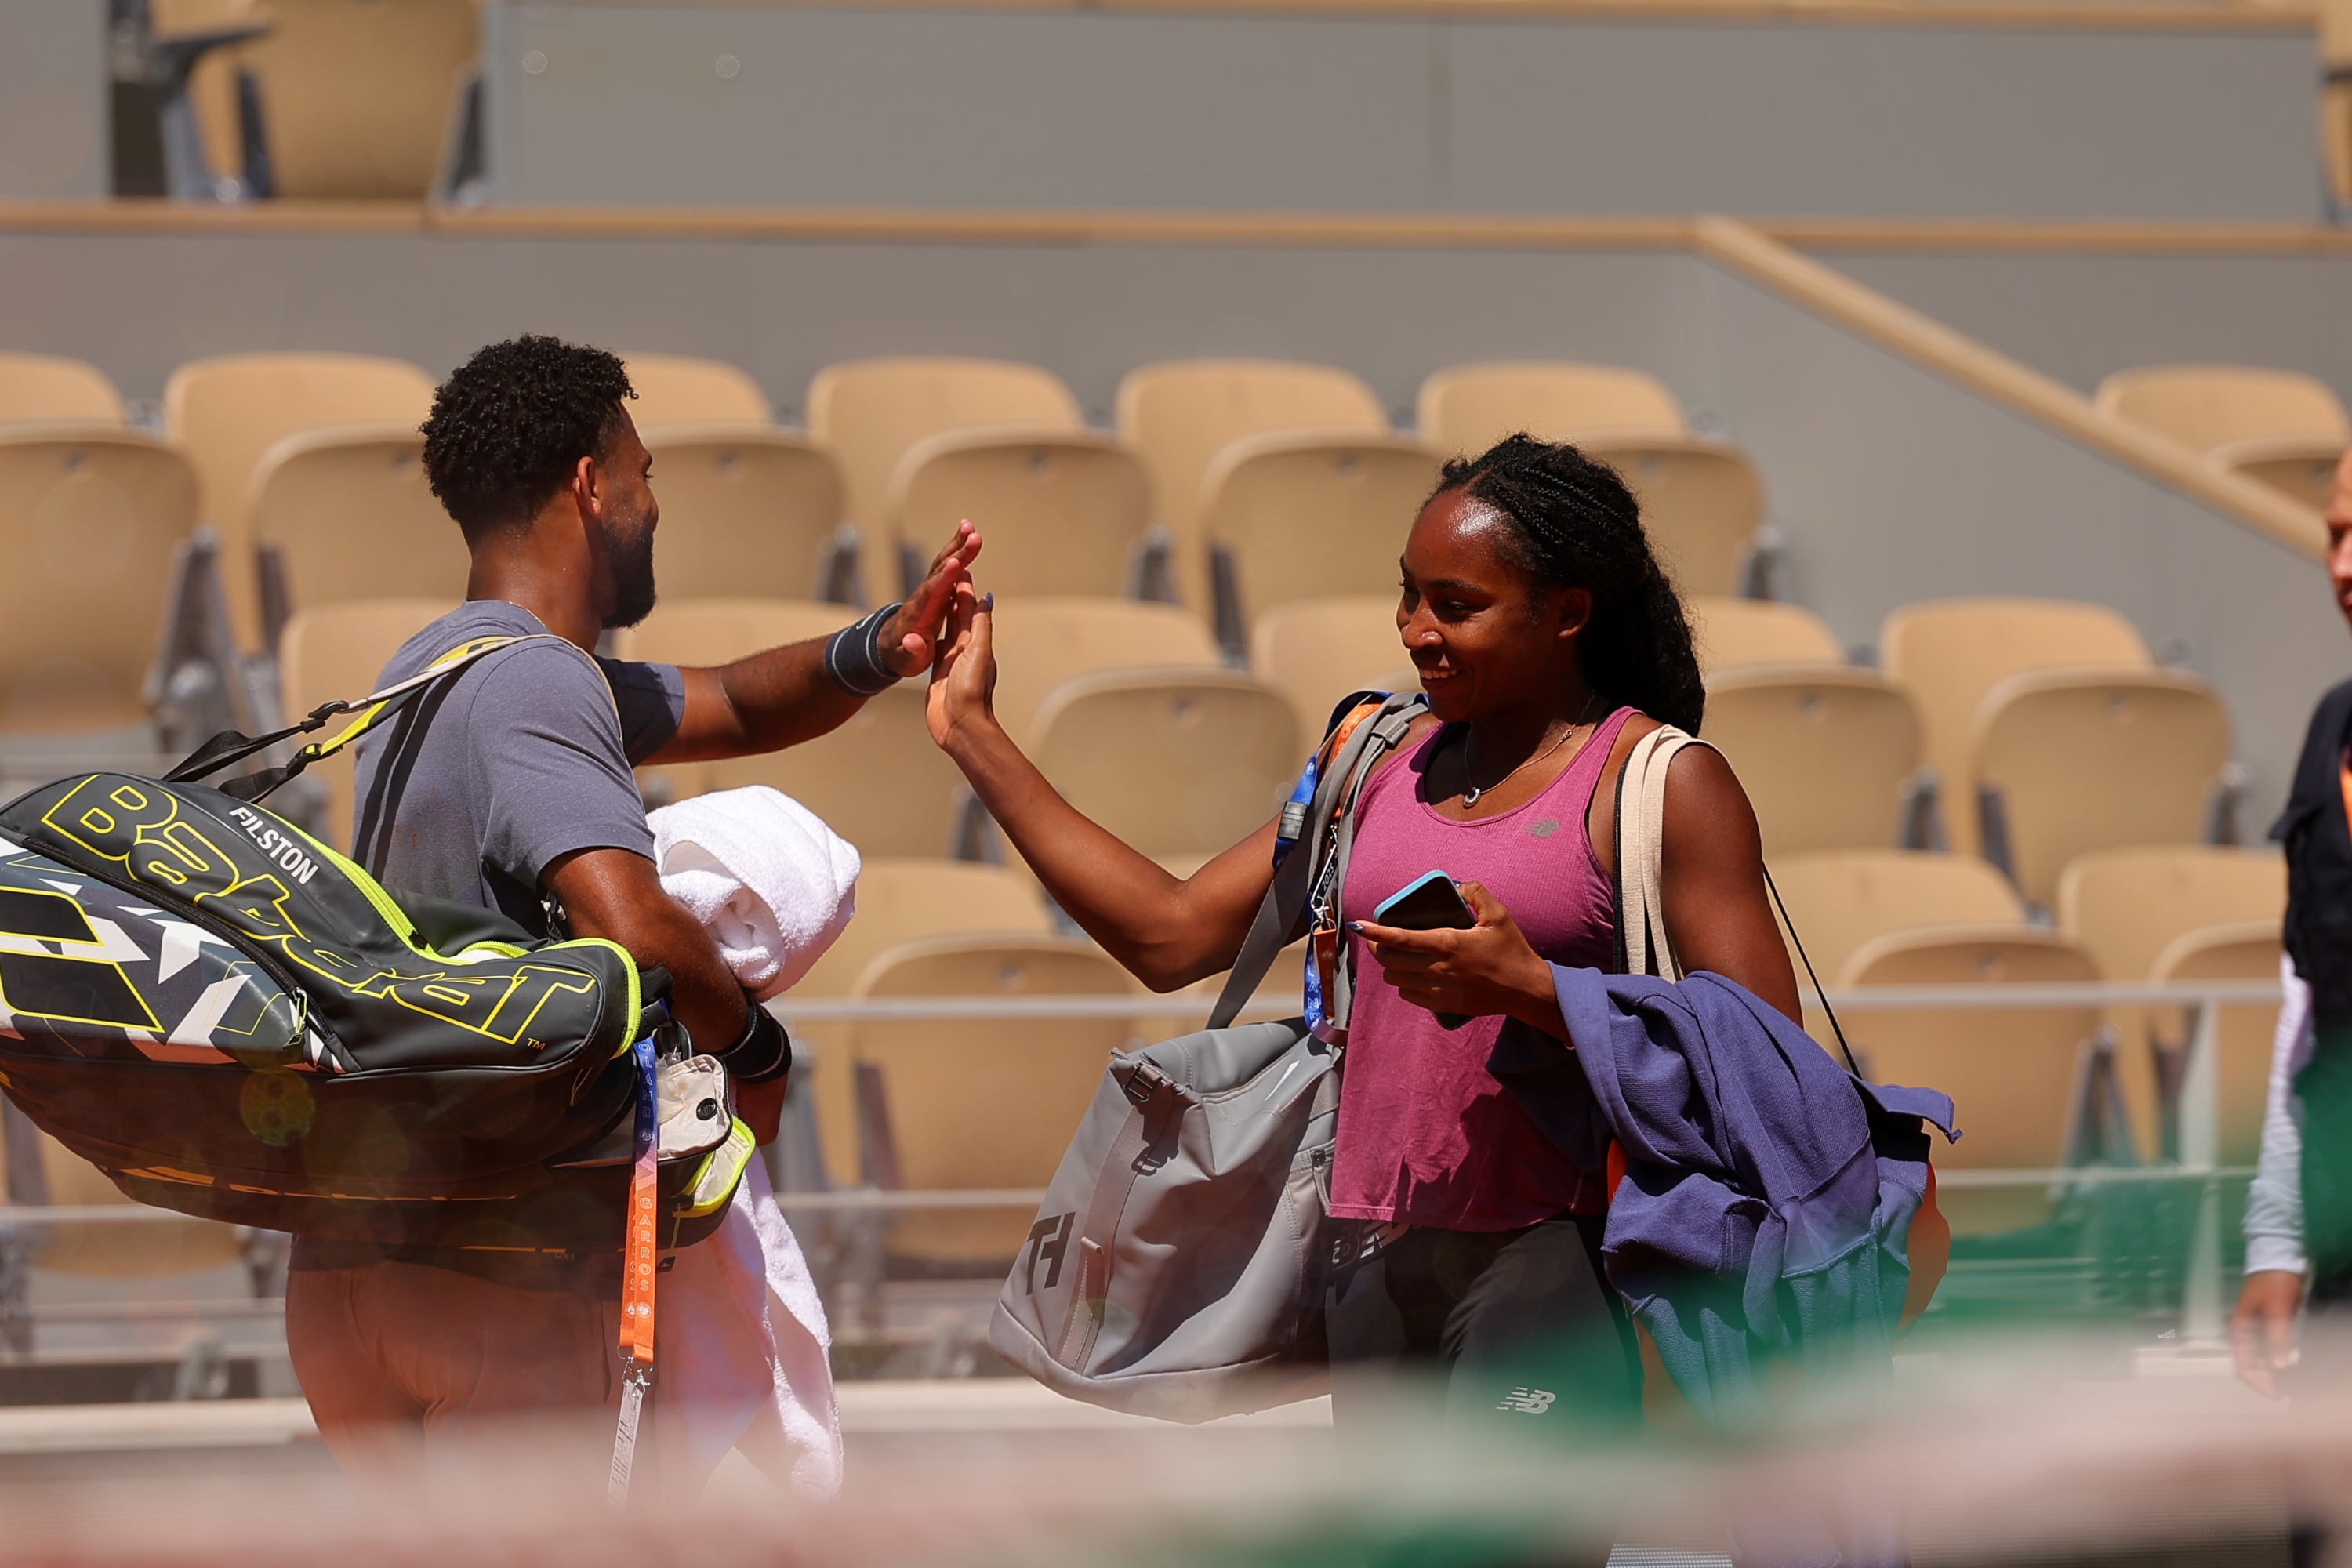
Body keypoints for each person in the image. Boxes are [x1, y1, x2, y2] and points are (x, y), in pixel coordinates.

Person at [924, 432, 1799, 1426]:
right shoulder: (1372, 763)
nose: (1417, 630)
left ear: (1568, 614)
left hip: (1566, 1258)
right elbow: (1167, 936)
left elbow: (1768, 1066)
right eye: (1410, 594)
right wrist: (973, 733)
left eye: (1457, 605)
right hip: (1370, 1258)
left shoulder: (1664, 783)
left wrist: (1537, 991)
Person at [283, 336, 981, 1459]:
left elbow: (732, 706)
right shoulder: (538, 683)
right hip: (494, 1270)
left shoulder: (435, 668)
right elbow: (634, 926)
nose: (653, 504)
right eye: (642, 472)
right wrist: (757, 1051)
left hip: (354, 1273)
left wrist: (882, 646)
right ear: (587, 483)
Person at [2234, 445, 2352, 1399]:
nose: (2343, 566)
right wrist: (2275, 1234)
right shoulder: (2331, 725)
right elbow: (2304, 1005)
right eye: (2335, 534)